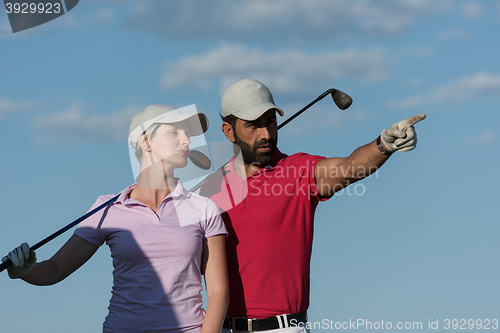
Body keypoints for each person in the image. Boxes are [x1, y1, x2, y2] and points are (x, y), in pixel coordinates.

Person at [199, 79, 425, 333]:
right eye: (253, 125)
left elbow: (349, 168)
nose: (265, 134)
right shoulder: (208, 191)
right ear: (229, 131)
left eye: (270, 122)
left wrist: (383, 145)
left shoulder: (298, 170)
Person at [2, 104, 229, 333]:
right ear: (145, 142)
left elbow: (219, 292)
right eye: (174, 132)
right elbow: (55, 268)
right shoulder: (108, 208)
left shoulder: (204, 208)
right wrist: (25, 271)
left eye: (187, 134)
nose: (187, 141)